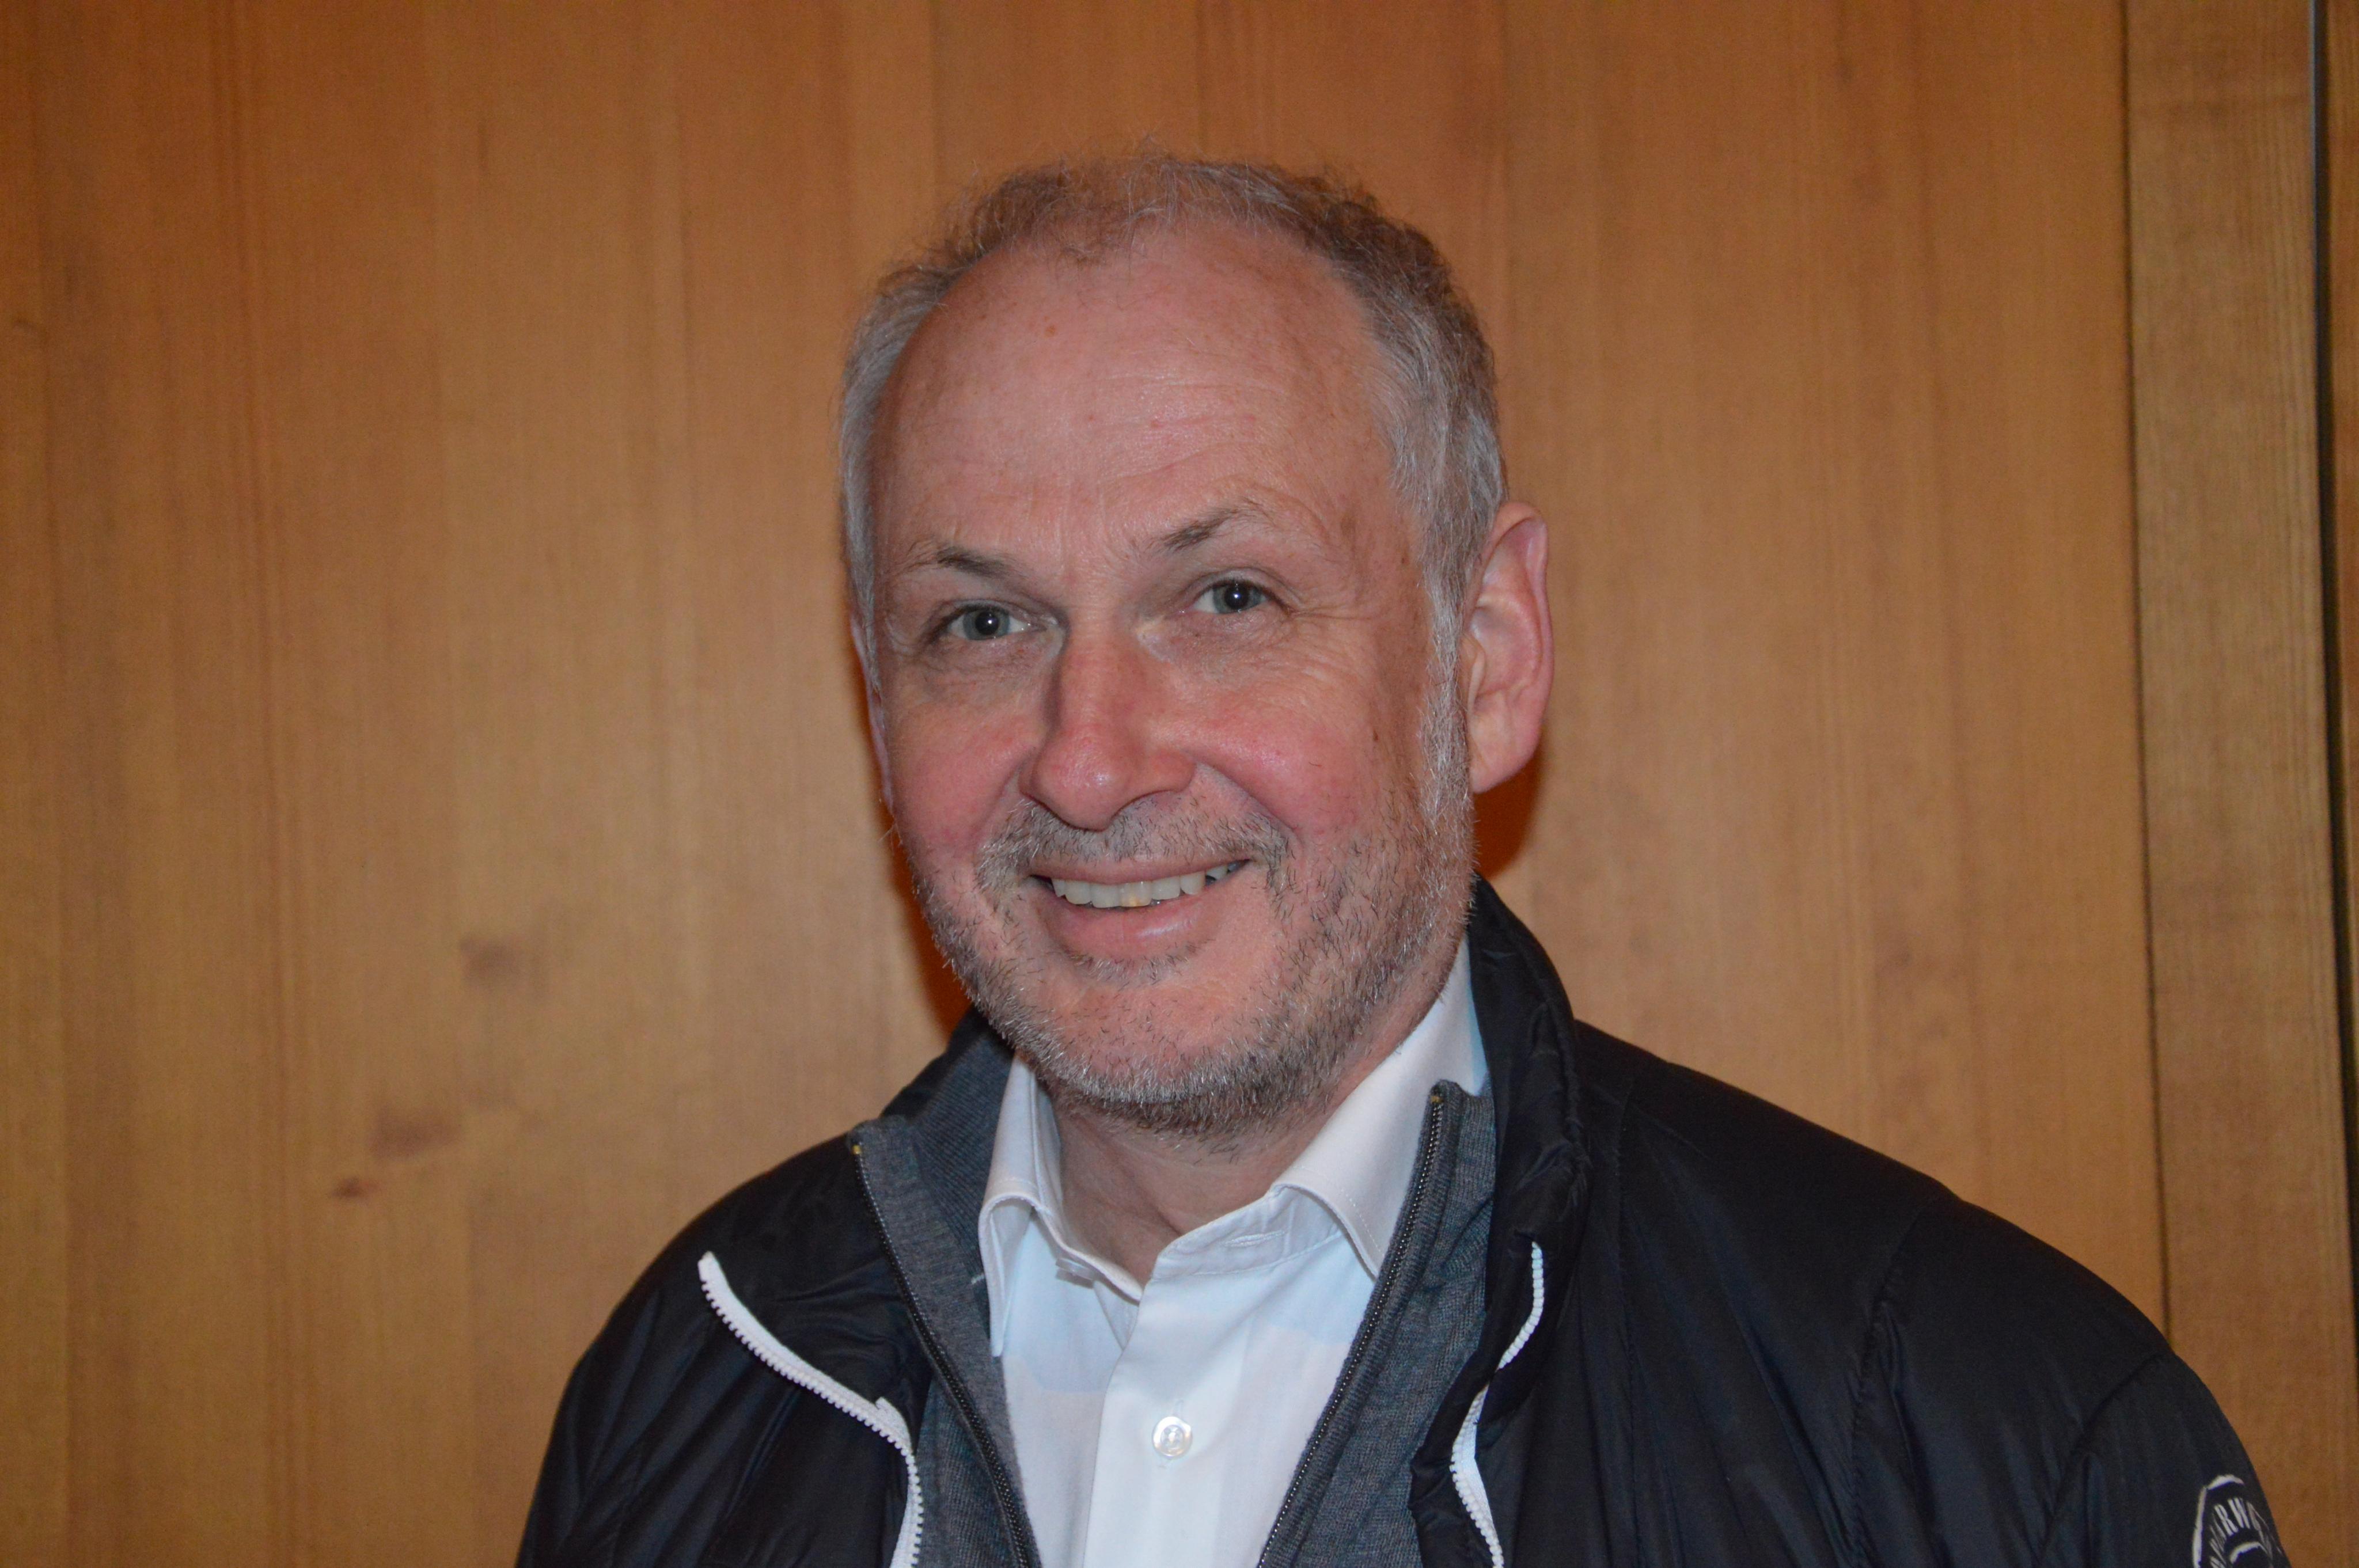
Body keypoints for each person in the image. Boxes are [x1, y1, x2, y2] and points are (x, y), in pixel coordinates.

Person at [516, 154, 2284, 1568]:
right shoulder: (693, 1384)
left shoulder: (1983, 1434)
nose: (1089, 757)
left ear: (1485, 657)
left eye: (1227, 597)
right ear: (875, 695)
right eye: (982, 622)